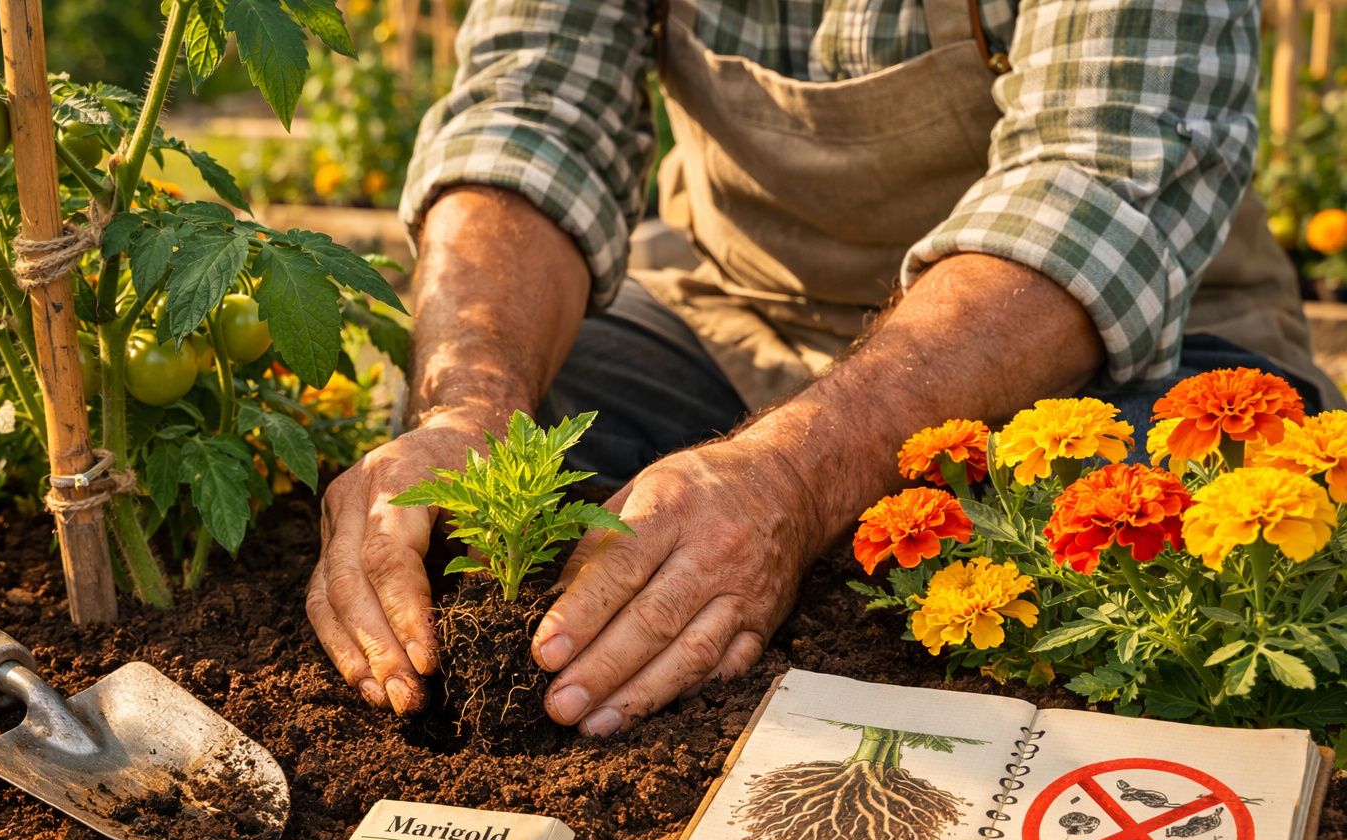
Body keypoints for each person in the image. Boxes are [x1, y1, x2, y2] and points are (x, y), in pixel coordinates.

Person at [306, 0, 1342, 739]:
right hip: (731, 313)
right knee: (480, 498)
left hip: (1085, 339)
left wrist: (794, 477)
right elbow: (533, 111)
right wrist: (473, 399)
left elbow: (1099, 183)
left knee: (1181, 552)